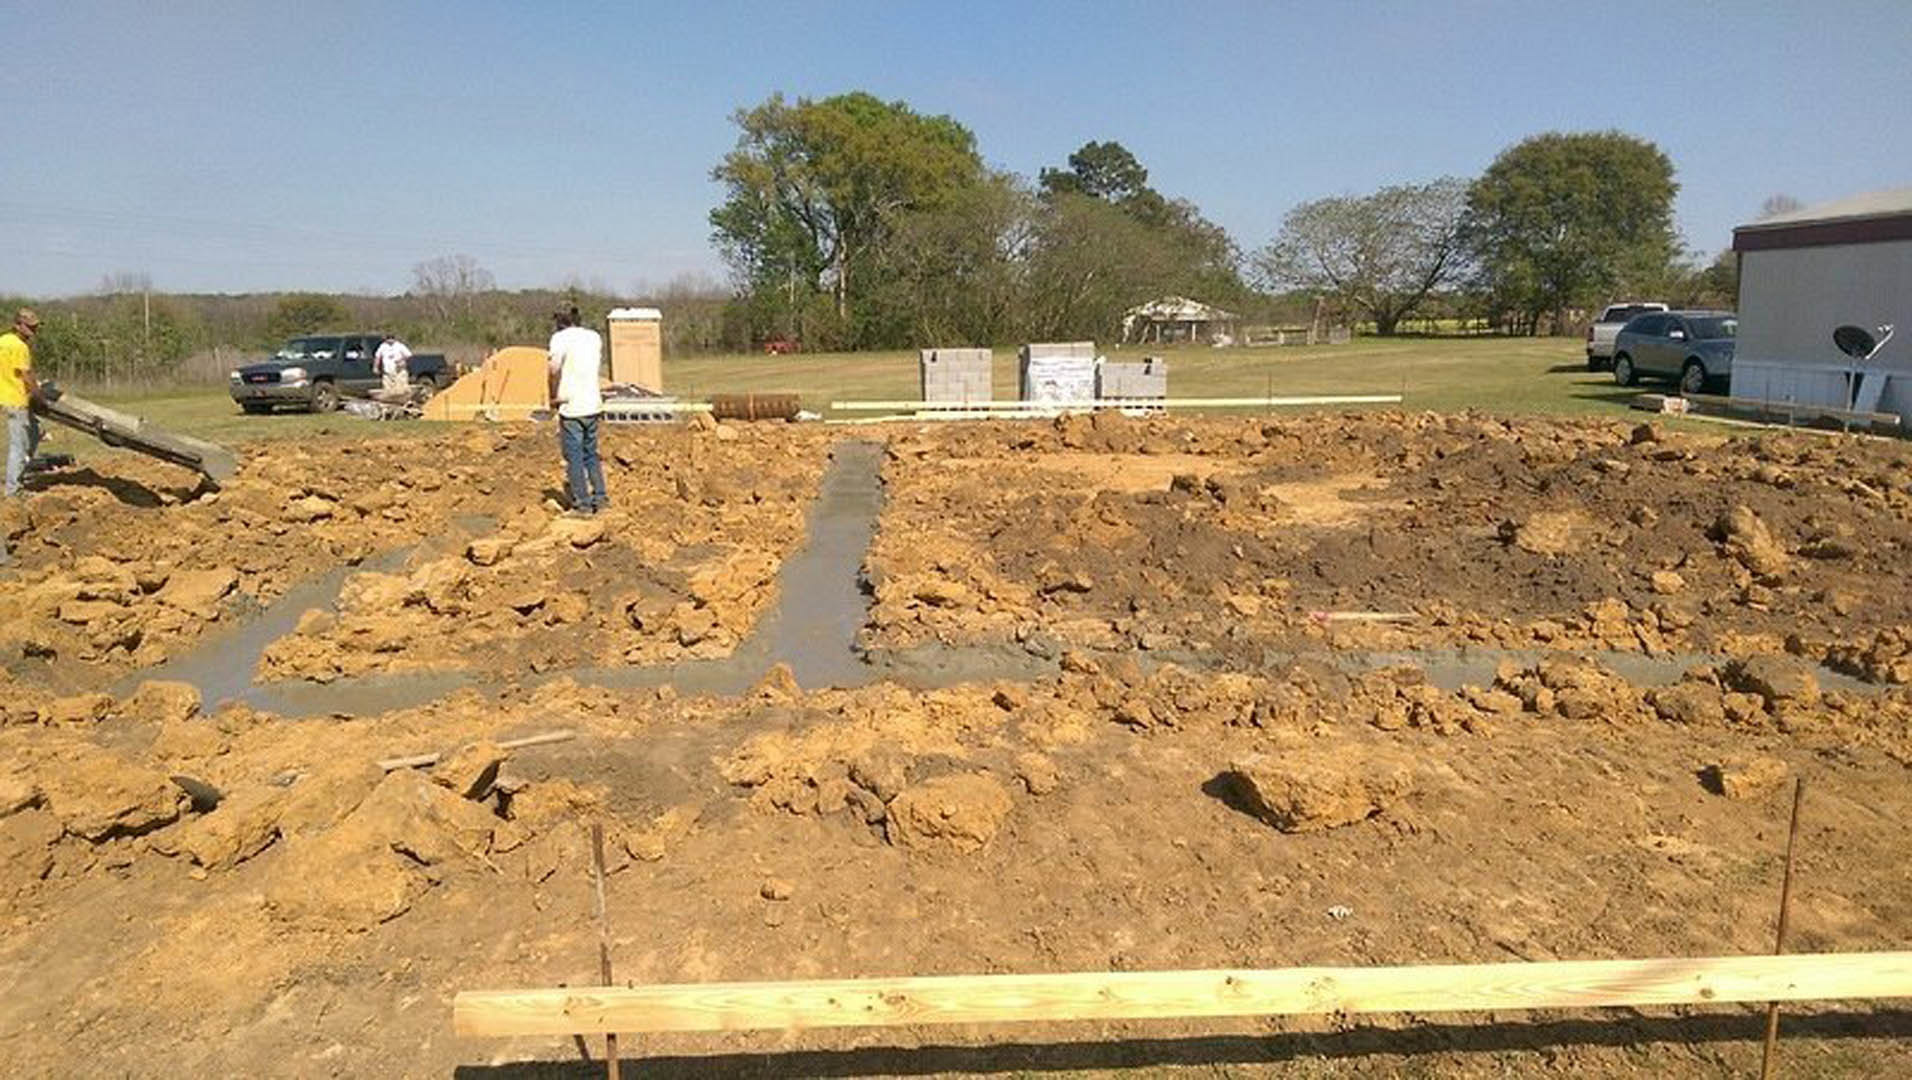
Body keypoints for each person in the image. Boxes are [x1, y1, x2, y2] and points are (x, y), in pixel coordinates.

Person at [546, 305, 608, 515]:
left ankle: (582, 504)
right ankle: (600, 498)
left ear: (559, 322)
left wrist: (552, 396)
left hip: (572, 406)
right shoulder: (594, 337)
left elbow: (553, 370)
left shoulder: (560, 339)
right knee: (591, 453)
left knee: (574, 457)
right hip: (592, 403)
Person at [2, 307, 43, 565]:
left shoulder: (2, 341)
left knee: (33, 433)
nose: (33, 331)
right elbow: (27, 376)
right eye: (30, 327)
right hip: (16, 401)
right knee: (19, 446)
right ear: (18, 325)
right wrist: (39, 396)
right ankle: (13, 490)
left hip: (4, 399)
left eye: (35, 327)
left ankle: (16, 477)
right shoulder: (19, 347)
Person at [374, 332, 412, 398]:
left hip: (399, 372)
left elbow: (409, 355)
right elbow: (377, 357)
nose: (390, 339)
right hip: (387, 373)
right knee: (388, 392)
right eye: (388, 338)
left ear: (395, 338)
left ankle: (403, 401)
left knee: (401, 391)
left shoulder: (400, 346)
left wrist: (401, 361)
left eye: (392, 338)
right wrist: (375, 367)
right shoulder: (382, 347)